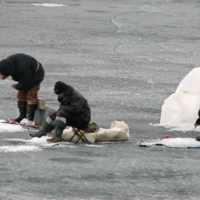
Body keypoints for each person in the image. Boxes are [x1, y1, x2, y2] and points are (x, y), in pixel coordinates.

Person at [0, 53, 45, 125]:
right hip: (26, 75)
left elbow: (27, 82)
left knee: (31, 94)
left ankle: (30, 119)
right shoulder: (9, 63)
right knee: (21, 95)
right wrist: (4, 75)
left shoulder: (22, 68)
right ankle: (22, 116)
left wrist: (17, 86)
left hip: (36, 74)